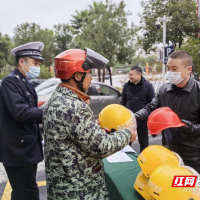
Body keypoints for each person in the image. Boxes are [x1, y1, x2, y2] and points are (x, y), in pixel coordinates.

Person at [43, 48, 137, 200]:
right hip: (79, 191)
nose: (92, 78)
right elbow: (101, 146)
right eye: (89, 73)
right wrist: (127, 134)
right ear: (77, 75)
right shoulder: (74, 106)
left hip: (63, 188)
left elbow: (74, 134)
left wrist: (92, 127)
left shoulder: (57, 98)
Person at [135, 51, 200, 173]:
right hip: (168, 152)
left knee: (190, 188)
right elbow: (151, 108)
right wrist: (134, 117)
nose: (170, 73)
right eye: (168, 68)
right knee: (171, 187)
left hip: (193, 156)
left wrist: (191, 128)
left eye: (174, 69)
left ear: (189, 69)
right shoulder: (164, 89)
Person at [0, 42, 44, 200]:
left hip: (27, 149)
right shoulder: (10, 81)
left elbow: (28, 107)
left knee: (21, 193)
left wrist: (40, 109)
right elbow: (21, 112)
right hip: (18, 151)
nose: (37, 67)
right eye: (35, 63)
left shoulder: (24, 81)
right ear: (22, 62)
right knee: (28, 194)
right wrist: (48, 112)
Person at [120, 66, 155, 152]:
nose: (129, 76)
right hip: (129, 119)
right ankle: (126, 159)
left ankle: (144, 160)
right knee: (127, 142)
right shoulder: (127, 85)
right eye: (129, 74)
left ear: (139, 74)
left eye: (131, 75)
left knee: (143, 142)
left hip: (142, 119)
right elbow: (123, 102)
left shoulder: (148, 86)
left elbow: (152, 104)